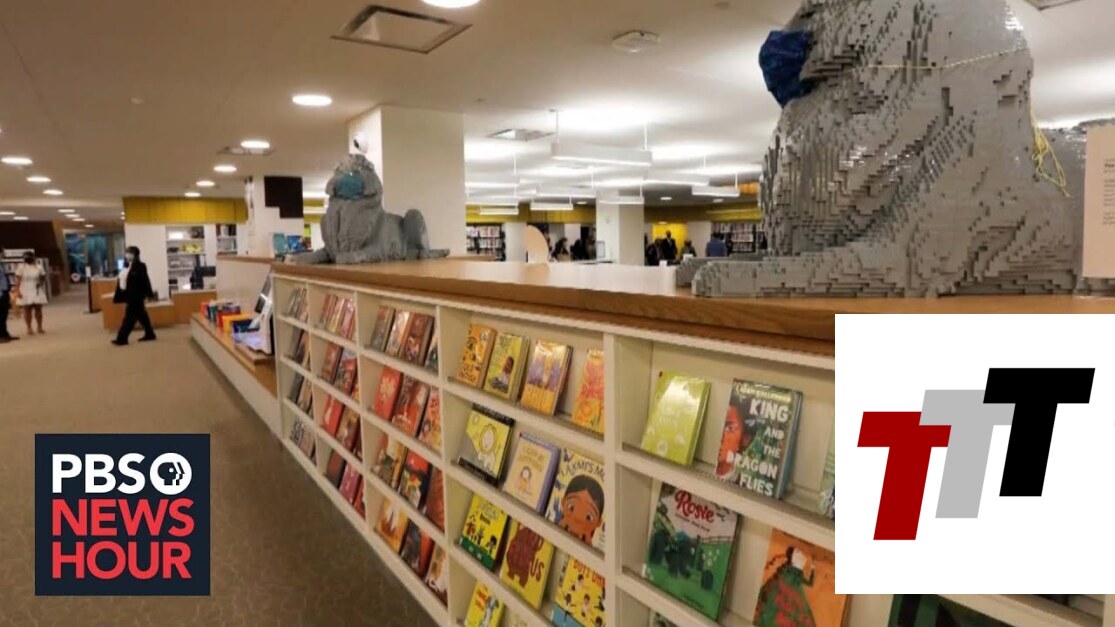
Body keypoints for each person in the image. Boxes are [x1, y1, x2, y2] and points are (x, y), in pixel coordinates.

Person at [112, 245, 157, 345]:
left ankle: (122, 338)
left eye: (130, 253)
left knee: (129, 318)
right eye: (127, 252)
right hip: (129, 295)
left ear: (135, 255)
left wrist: (149, 294)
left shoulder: (140, 266)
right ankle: (150, 333)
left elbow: (145, 280)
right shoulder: (126, 266)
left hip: (136, 296)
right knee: (142, 315)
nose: (128, 255)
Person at [15, 251, 48, 335]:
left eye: (30, 257)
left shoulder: (39, 267)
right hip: (25, 288)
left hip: (36, 288)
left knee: (38, 309)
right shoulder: (21, 267)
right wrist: (17, 291)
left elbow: (43, 277)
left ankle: (39, 327)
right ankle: (29, 328)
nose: (28, 259)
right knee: (27, 309)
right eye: (26, 257)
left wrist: (40, 283)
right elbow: (18, 280)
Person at [0, 248, 16, 343]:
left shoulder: (1, 264)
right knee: (0, 314)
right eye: (3, 252)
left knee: (4, 313)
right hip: (0, 292)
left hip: (5, 291)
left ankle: (5, 333)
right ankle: (1, 336)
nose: (4, 254)